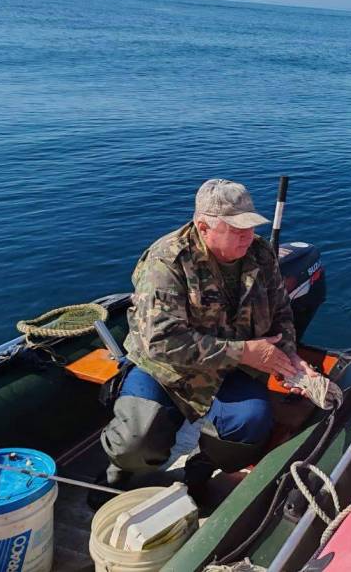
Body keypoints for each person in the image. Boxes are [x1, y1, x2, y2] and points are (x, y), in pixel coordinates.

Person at [98, 178, 315, 500]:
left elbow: (281, 311)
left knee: (249, 423)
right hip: (167, 369)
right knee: (135, 436)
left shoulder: (260, 254)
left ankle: (199, 474)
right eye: (237, 229)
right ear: (203, 226)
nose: (248, 237)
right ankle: (119, 483)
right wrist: (243, 352)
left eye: (251, 227)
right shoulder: (166, 263)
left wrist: (289, 361)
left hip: (233, 367)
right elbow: (161, 342)